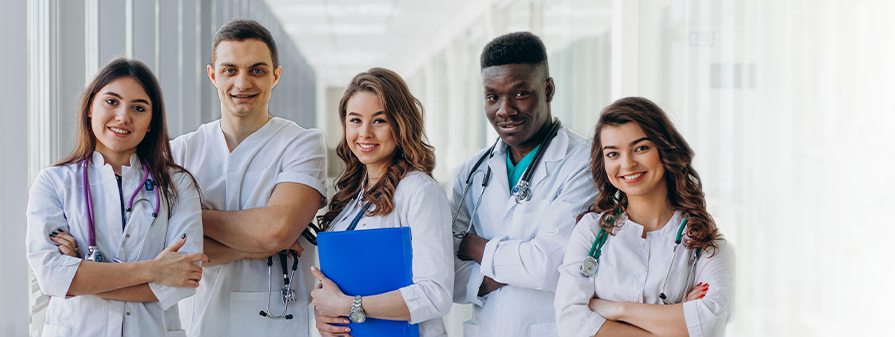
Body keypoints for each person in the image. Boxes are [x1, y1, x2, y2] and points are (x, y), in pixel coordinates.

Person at [27, 58, 208, 337]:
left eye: (138, 108)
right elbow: (51, 276)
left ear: (151, 123)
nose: (123, 117)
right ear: (90, 108)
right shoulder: (54, 182)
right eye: (112, 102)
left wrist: (84, 276)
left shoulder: (177, 185)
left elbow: (183, 280)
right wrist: (154, 270)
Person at [170, 18, 328, 337]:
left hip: (272, 321)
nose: (243, 83)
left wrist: (188, 217)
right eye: (230, 70)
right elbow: (169, 250)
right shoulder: (179, 152)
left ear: (276, 75)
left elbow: (276, 232)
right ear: (213, 75)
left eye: (257, 70)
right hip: (196, 319)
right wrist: (253, 246)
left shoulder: (302, 143)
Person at [449, 31, 598, 336]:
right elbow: (445, 269)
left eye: (519, 93)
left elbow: (548, 265)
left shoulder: (584, 163)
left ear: (548, 89)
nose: (504, 109)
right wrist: (518, 266)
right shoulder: (472, 171)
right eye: (492, 96)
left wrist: (472, 245)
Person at [553, 97, 735, 337]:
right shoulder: (591, 231)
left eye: (640, 148)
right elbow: (570, 323)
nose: (627, 164)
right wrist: (677, 320)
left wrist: (614, 309)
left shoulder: (706, 237)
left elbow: (708, 323)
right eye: (613, 154)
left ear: (664, 149)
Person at [309, 68, 454, 337]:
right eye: (355, 120)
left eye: (379, 121)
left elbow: (436, 295)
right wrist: (325, 317)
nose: (364, 133)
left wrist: (348, 305)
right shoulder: (351, 196)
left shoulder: (420, 192)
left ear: (401, 124)